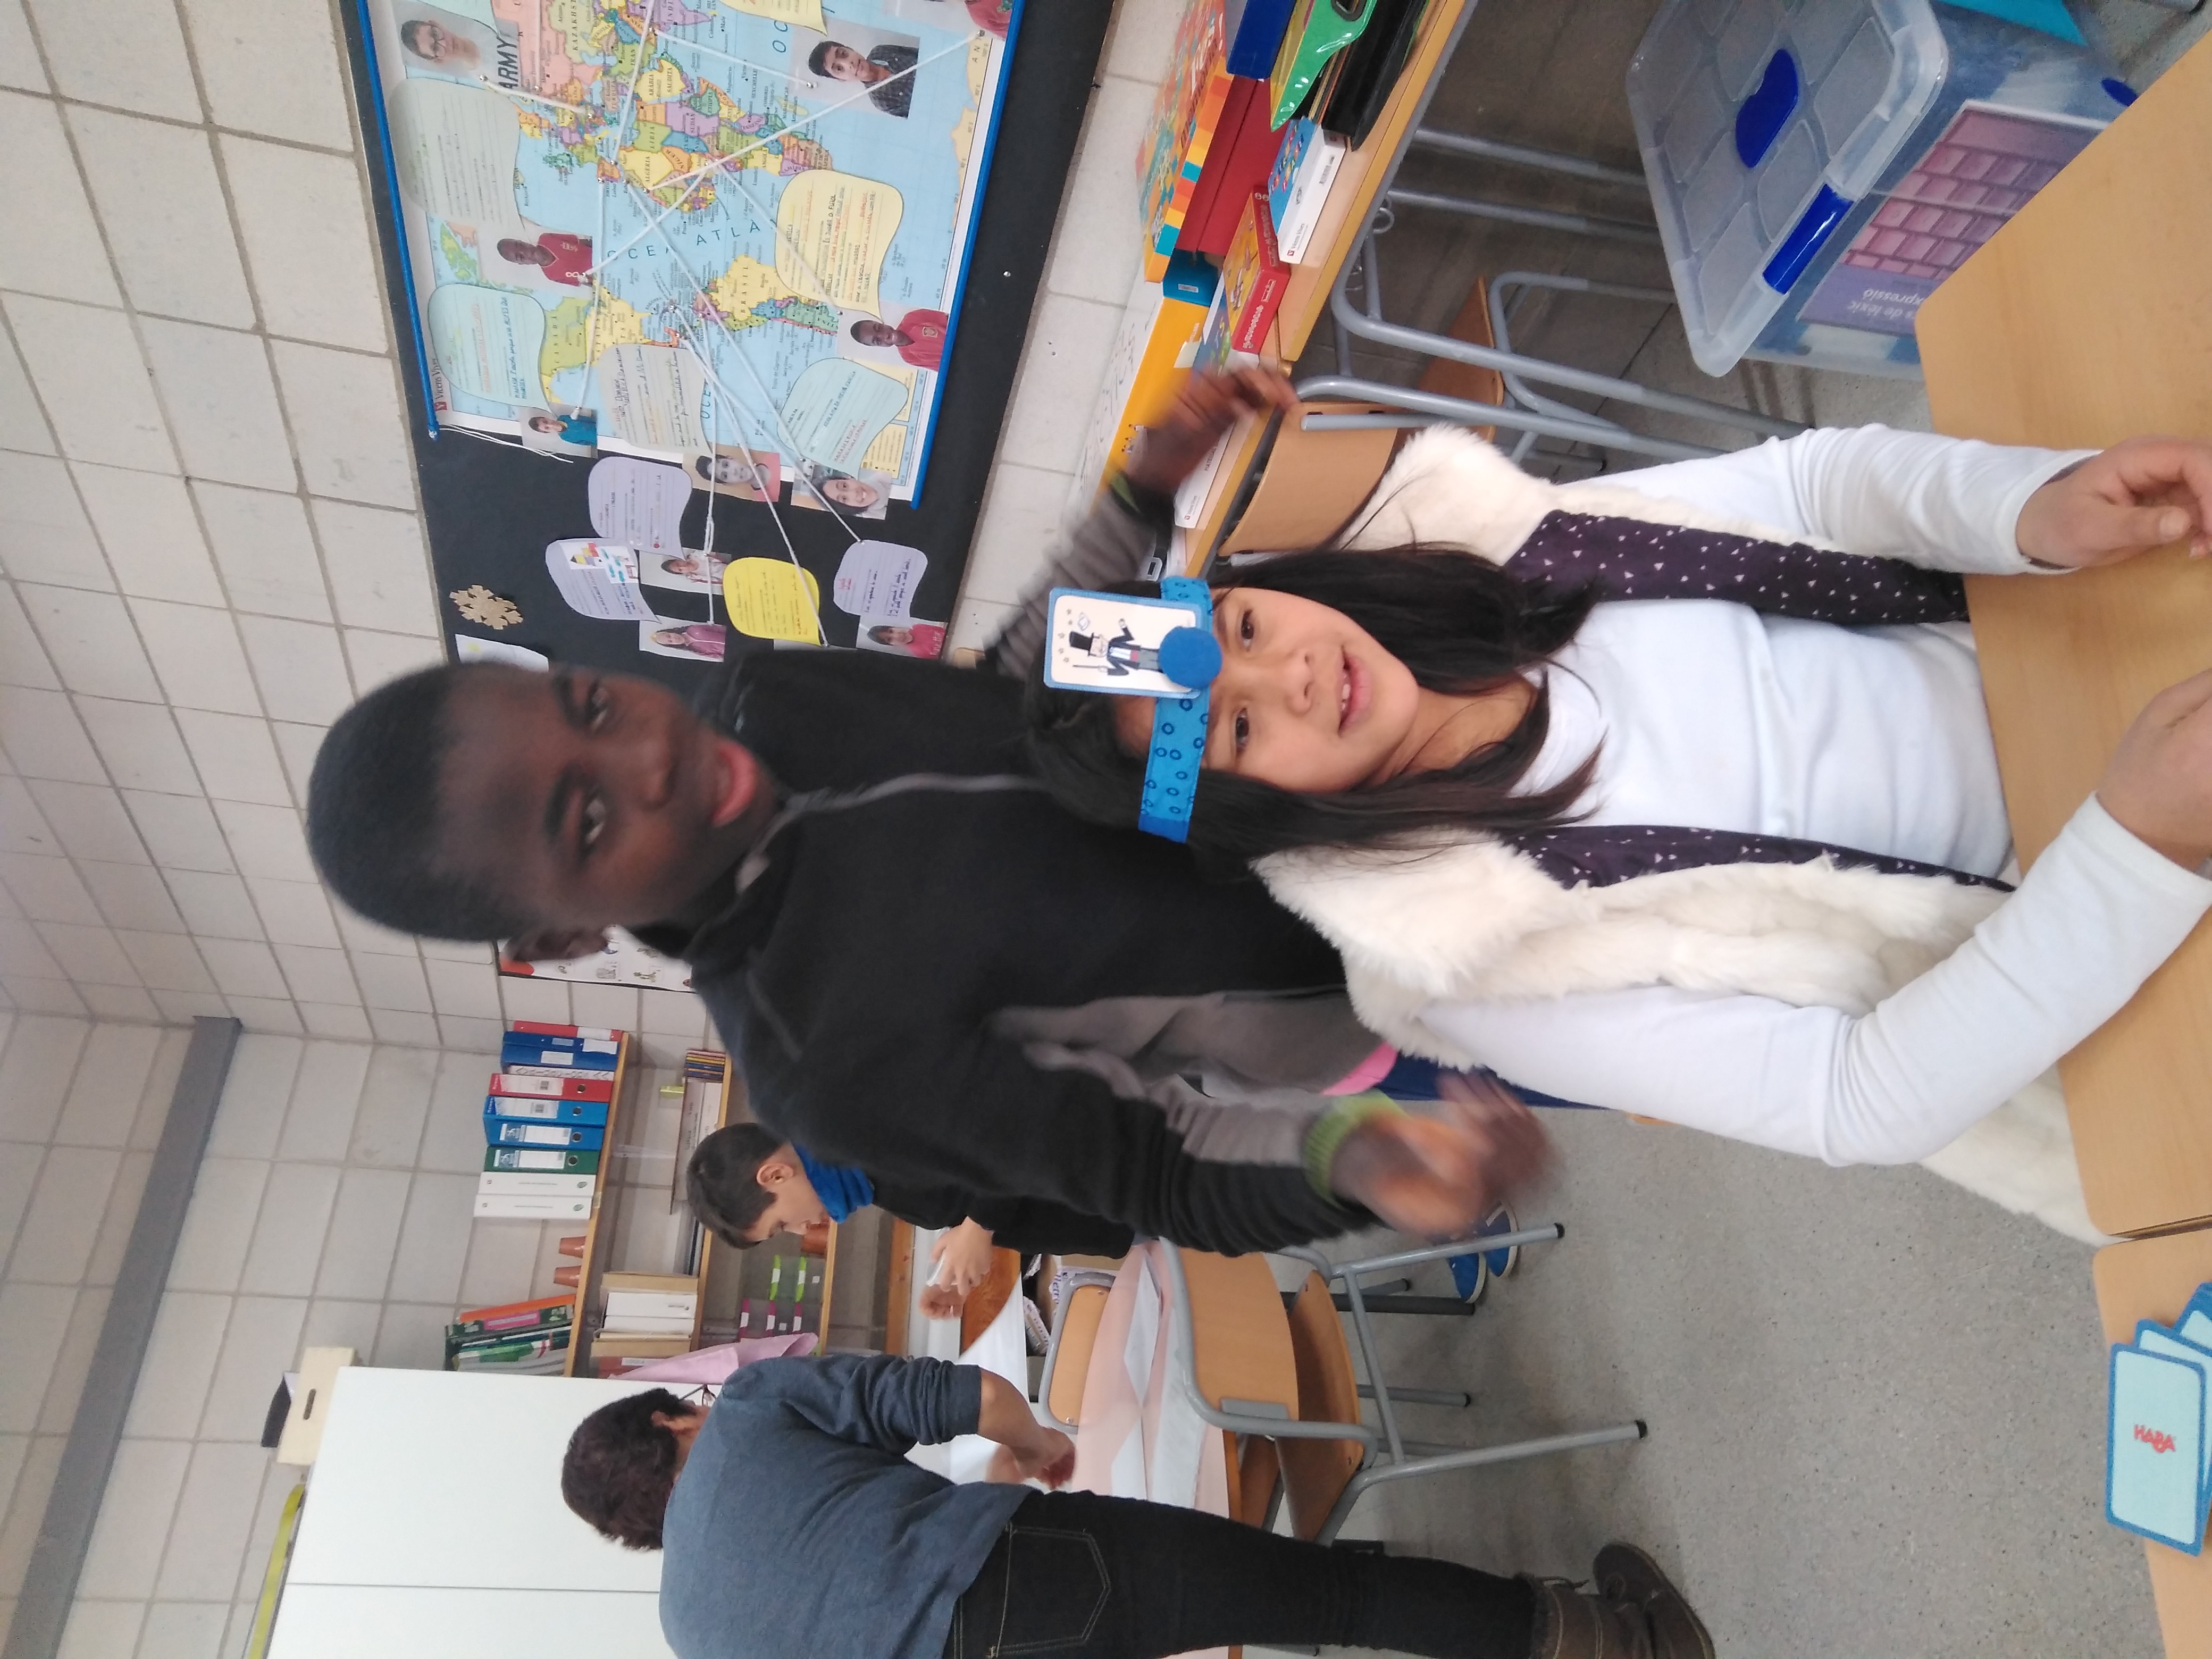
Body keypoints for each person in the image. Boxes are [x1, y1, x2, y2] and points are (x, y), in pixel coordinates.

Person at [305, 368, 1544, 1256]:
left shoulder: (773, 695)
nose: (652, 753)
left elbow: (1010, 697)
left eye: (591, 702)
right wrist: (1353, 1157)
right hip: (1381, 994)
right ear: (563, 936)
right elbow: (1153, 1160)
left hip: (1355, 795)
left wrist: (1136, 496)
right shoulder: (825, 1061)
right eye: (586, 820)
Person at [1019, 412, 2212, 1228]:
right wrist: (2134, 854)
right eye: (1237, 731)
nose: (1288, 675)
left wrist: (2031, 511)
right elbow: (1859, 1098)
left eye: (1243, 628)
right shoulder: (1481, 958)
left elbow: (1810, 487)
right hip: (2137, 946)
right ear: (1250, 816)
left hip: (2097, 659)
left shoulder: (1502, 551)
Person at [560, 1358, 1713, 1659]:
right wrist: (1039, 1446)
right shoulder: (749, 1409)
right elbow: (965, 1395)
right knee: (1332, 1597)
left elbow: (871, 1599)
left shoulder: (686, 1629)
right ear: (670, 1423)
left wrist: (978, 1496)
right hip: (1040, 1576)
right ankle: (1620, 1641)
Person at [686, 1122, 1131, 1317]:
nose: (802, 1230)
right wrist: (964, 1262)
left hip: (1121, 1173)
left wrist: (980, 1225)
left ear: (775, 1176)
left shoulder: (870, 1134)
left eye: (781, 1225)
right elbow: (970, 1187)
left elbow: (1013, 1129)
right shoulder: (865, 1181)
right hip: (1114, 1218)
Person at [808, 37, 916, 118]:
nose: (849, 64)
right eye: (839, 69)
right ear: (842, 79)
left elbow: (918, 52)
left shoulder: (880, 51)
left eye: (843, 54)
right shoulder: (881, 100)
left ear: (851, 49)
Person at [851, 309, 950, 371]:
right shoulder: (909, 358)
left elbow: (953, 320)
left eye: (879, 328)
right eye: (878, 340)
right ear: (879, 346)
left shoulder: (913, 318)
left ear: (881, 323)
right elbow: (946, 369)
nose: (885, 335)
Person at [497, 233, 592, 287]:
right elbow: (586, 282)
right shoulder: (552, 275)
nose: (526, 252)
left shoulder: (547, 238)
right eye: (521, 257)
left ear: (523, 241)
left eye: (521, 245)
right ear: (523, 263)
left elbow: (584, 242)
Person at [865, 620, 945, 656]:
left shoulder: (918, 627)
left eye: (891, 631)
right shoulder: (917, 652)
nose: (897, 636)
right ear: (892, 645)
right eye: (890, 639)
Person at [652, 623, 727, 660]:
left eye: (669, 636)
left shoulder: (694, 629)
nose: (674, 639)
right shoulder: (694, 649)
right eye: (670, 641)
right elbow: (717, 656)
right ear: (672, 645)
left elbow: (719, 629)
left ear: (671, 632)